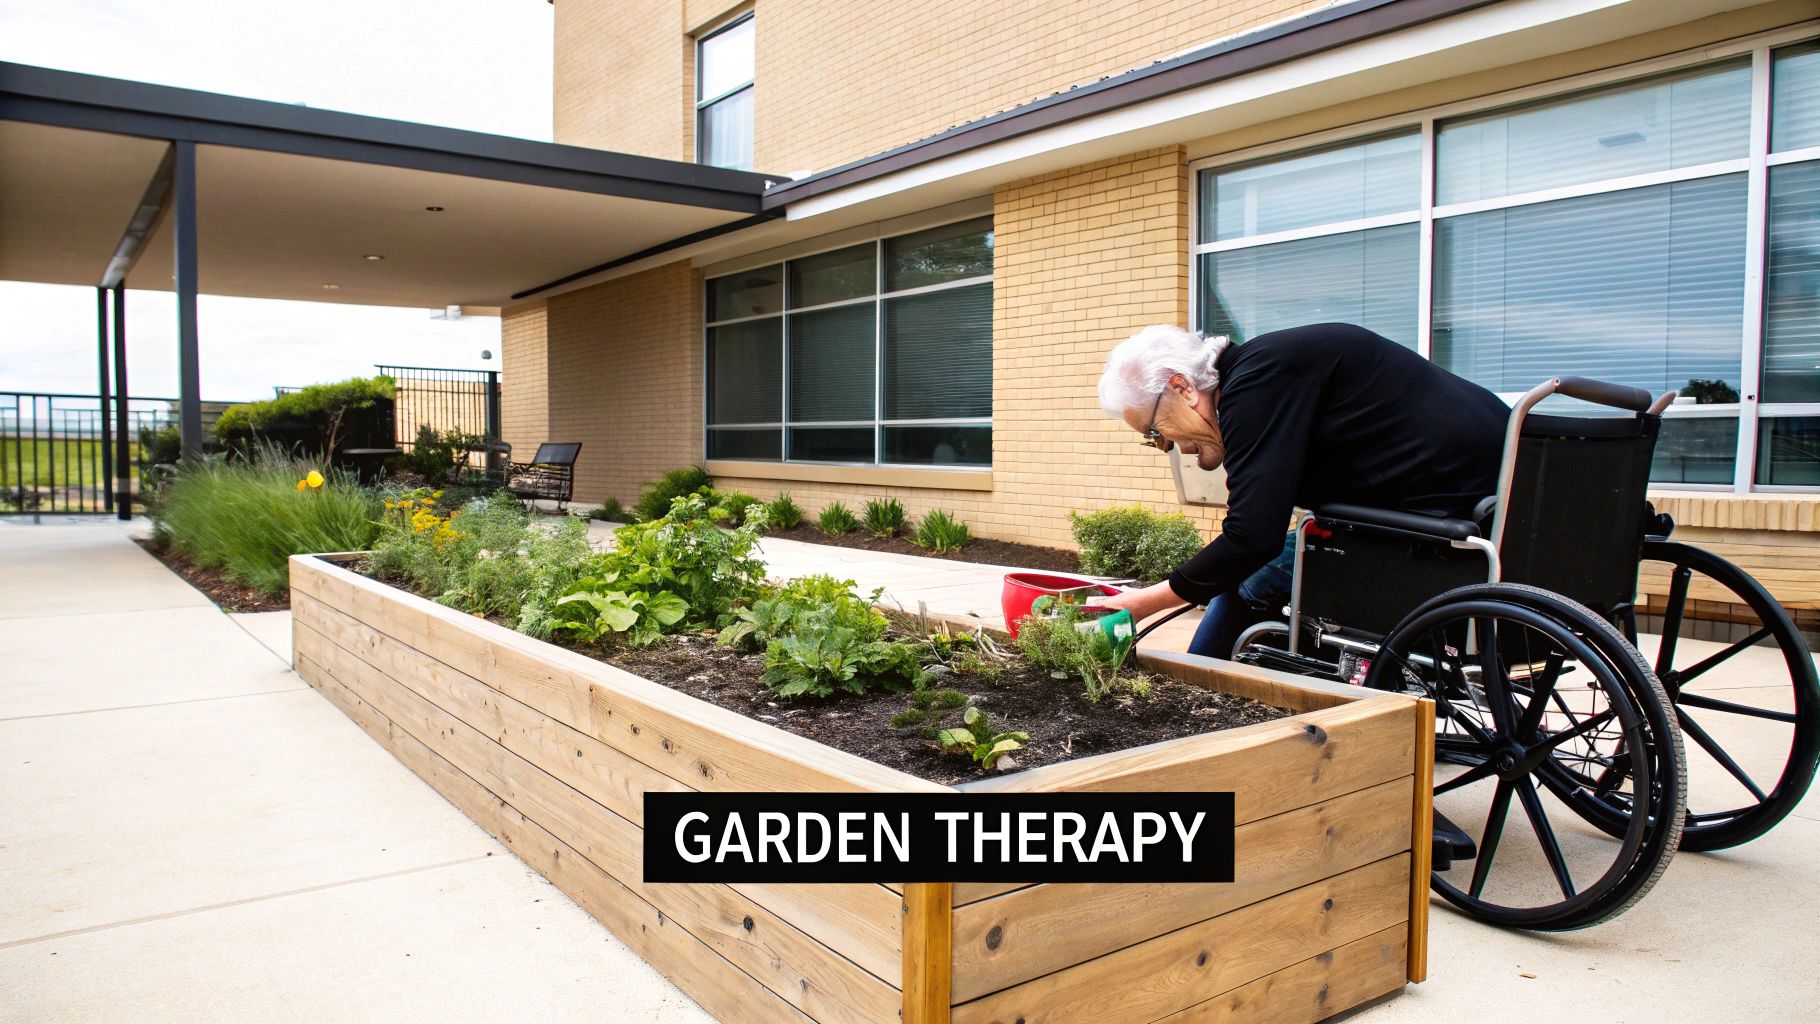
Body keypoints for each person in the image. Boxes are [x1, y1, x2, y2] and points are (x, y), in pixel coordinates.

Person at [1090, 322, 1511, 658]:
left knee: (1250, 578)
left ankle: (1197, 697)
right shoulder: (1272, 368)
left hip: (1441, 533)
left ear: (1182, 388)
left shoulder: (1255, 386)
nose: (1174, 448)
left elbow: (1252, 536)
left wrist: (1145, 601)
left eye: (1156, 433)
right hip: (1495, 516)